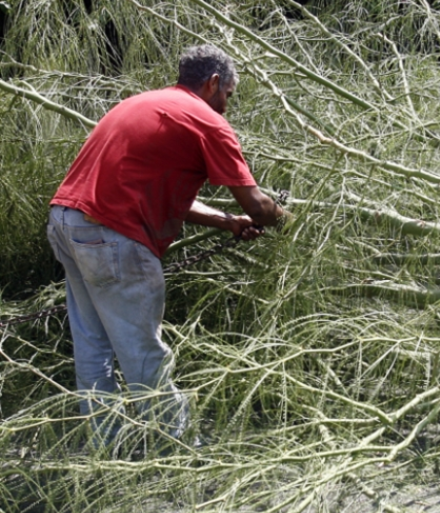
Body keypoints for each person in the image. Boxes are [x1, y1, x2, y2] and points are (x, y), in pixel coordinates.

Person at [46, 45, 284, 449]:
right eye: (228, 94)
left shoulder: (144, 104)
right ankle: (174, 444)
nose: (226, 105)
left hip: (67, 222)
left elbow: (153, 192)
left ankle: (105, 442)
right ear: (212, 84)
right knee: (140, 347)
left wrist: (226, 222)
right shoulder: (208, 122)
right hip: (111, 235)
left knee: (92, 342)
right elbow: (258, 205)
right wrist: (289, 222)